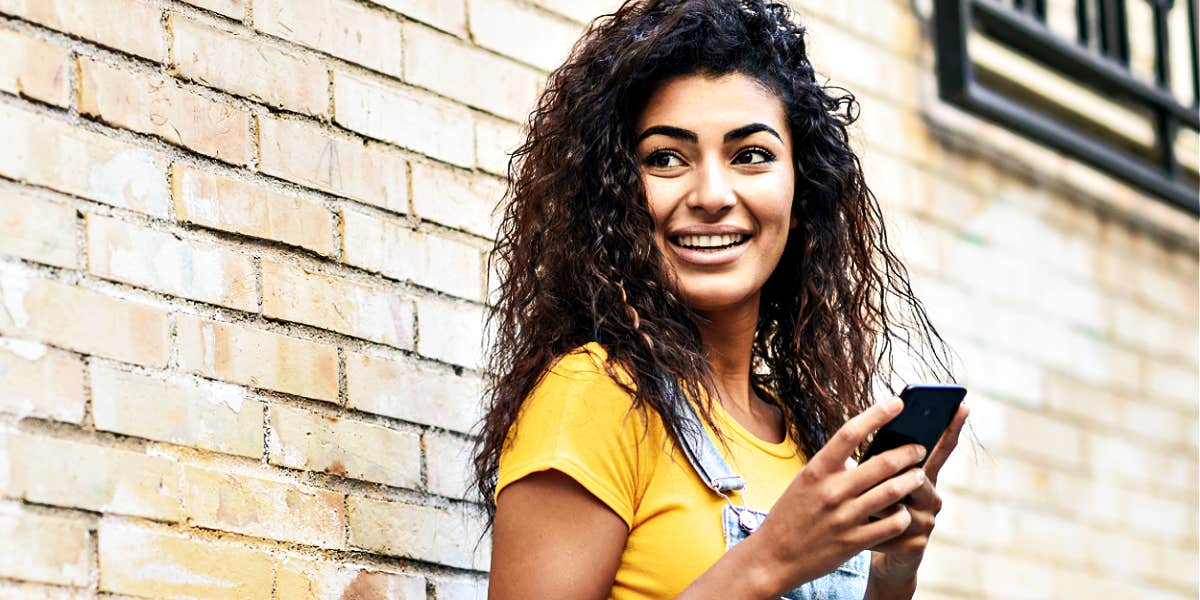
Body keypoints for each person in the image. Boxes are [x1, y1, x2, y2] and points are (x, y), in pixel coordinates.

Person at [472, 1, 970, 598]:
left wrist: (887, 573)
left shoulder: (803, 433)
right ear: (614, 192)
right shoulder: (594, 397)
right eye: (665, 158)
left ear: (801, 186)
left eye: (751, 155)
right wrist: (770, 561)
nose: (711, 194)